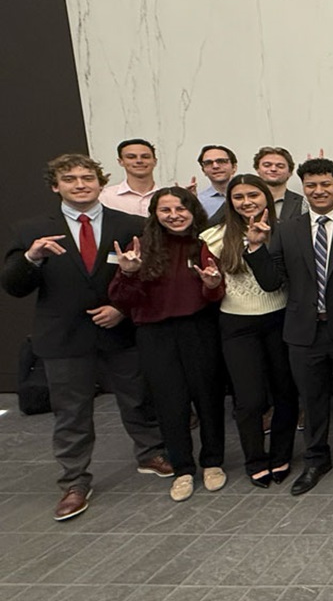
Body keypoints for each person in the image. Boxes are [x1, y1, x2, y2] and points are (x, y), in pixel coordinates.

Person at [2, 154, 171, 521]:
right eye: (70, 179)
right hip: (64, 336)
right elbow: (14, 285)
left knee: (139, 398)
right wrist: (31, 258)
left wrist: (121, 307)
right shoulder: (32, 230)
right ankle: (75, 481)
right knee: (71, 412)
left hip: (120, 330)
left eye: (87, 178)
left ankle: (151, 453)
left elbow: (154, 277)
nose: (80, 185)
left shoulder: (131, 225)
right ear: (55, 186)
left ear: (100, 183)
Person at [244, 158, 333, 496]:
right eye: (311, 185)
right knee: (312, 400)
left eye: (325, 184)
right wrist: (256, 247)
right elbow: (272, 282)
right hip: (303, 331)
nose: (319, 191)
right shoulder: (286, 229)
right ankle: (316, 458)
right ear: (303, 188)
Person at [108, 186, 226, 502]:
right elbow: (122, 300)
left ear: (193, 211)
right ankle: (183, 469)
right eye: (166, 210)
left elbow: (216, 293)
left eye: (181, 209)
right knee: (170, 403)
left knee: (209, 398)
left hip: (198, 330)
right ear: (155, 215)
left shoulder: (204, 244)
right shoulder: (140, 247)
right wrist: (128, 273)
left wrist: (213, 285)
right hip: (155, 334)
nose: (174, 216)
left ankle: (213, 462)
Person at [199, 174, 297, 489]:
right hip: (237, 324)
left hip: (280, 318)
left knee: (285, 393)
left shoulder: (284, 232)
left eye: (253, 195)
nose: (246, 202)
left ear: (266, 196)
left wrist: (259, 246)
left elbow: (279, 281)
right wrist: (211, 285)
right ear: (230, 202)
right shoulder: (213, 237)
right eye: (238, 197)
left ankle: (281, 454)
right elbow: (208, 288)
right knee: (249, 399)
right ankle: (255, 459)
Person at [100, 139, 160, 216]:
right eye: (131, 157)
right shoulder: (105, 197)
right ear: (121, 161)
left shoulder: (168, 196)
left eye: (145, 157)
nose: (139, 161)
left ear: (155, 161)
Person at [253, 147, 305, 221]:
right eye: (267, 165)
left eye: (280, 166)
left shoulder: (303, 203)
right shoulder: (248, 200)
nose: (273, 169)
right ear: (257, 170)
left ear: (290, 172)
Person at [196, 145, 238, 218]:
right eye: (208, 163)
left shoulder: (250, 196)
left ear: (234, 167)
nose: (215, 166)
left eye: (221, 161)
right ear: (203, 170)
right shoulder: (199, 200)